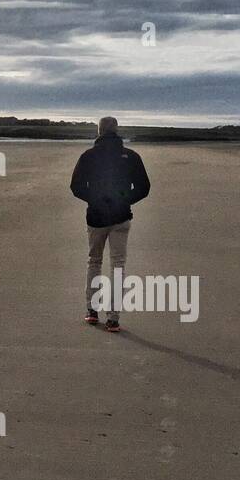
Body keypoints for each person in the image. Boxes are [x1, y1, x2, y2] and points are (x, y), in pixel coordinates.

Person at [69, 116, 151, 331]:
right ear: (116, 130)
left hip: (96, 217)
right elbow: (143, 187)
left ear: (99, 131)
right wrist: (125, 199)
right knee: (117, 265)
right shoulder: (130, 156)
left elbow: (76, 186)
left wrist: (95, 199)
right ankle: (113, 317)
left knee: (94, 262)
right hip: (121, 216)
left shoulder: (89, 155)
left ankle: (92, 311)